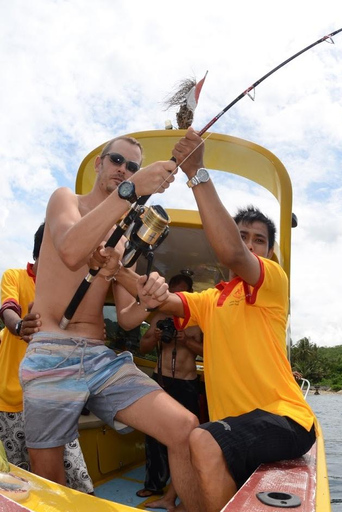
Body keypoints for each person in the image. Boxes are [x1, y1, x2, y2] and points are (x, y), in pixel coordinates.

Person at [20, 135, 201, 511]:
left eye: (133, 166)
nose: (125, 169)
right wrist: (131, 189)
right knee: (50, 484)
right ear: (100, 163)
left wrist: (150, 298)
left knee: (185, 427)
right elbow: (71, 250)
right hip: (51, 352)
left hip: (102, 358)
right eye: (118, 160)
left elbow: (127, 317)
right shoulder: (65, 200)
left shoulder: (123, 240)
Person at [149, 128, 317, 512]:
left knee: (203, 440)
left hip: (286, 418)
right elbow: (167, 301)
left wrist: (197, 174)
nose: (249, 244)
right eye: (243, 236)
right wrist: (123, 273)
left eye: (258, 240)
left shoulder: (272, 281)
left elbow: (231, 253)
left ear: (269, 252)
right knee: (191, 437)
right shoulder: (212, 300)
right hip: (240, 431)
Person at [0, 224, 94, 493]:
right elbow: (8, 310)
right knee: (18, 485)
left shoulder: (69, 291)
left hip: (54, 401)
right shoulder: (15, 277)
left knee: (78, 481)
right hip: (10, 403)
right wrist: (19, 327)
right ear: (42, 251)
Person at [137, 274, 203, 510]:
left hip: (186, 383)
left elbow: (208, 352)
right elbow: (143, 347)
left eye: (181, 292)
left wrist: (187, 342)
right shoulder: (159, 317)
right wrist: (154, 337)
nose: (175, 296)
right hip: (161, 379)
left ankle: (182, 489)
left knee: (186, 437)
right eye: (172, 291)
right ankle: (154, 485)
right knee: (153, 434)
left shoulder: (197, 319)